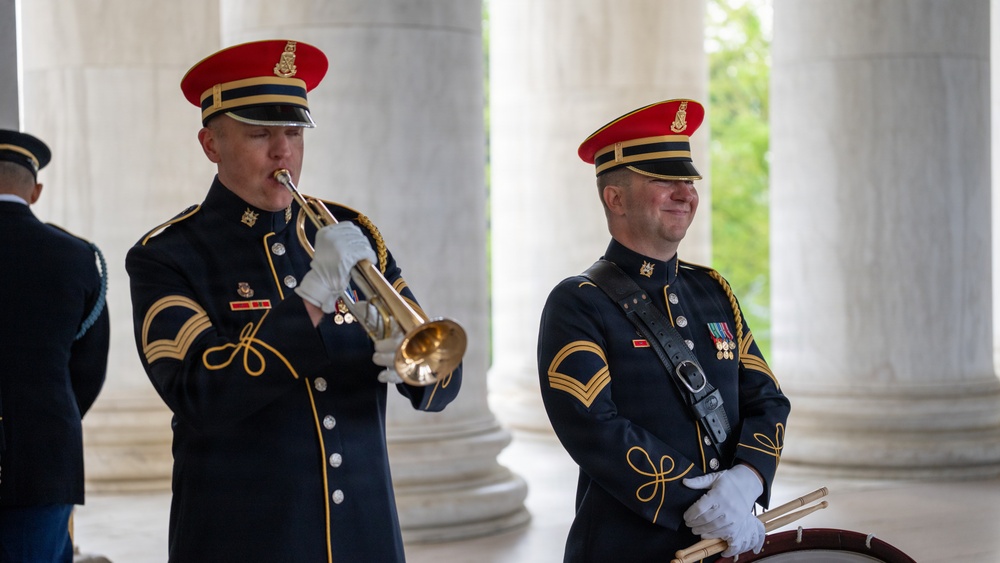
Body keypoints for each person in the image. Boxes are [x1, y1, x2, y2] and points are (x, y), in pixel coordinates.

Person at [125, 39, 462, 562]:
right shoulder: (168, 255)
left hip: (363, 537)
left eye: (294, 133)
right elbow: (200, 396)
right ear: (211, 144)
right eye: (260, 134)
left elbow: (439, 378)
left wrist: (411, 360)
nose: (283, 152)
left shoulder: (350, 233)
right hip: (247, 539)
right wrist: (309, 301)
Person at [536, 99, 791, 562]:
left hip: (728, 544)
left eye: (689, 180)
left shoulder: (713, 291)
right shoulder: (577, 303)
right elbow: (595, 428)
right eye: (663, 179)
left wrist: (747, 480)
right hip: (627, 549)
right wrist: (696, 500)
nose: (685, 192)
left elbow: (768, 400)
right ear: (615, 198)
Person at [0, 130, 109, 562]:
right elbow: (89, 369)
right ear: (36, 190)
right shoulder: (77, 256)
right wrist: (43, 416)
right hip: (44, 455)